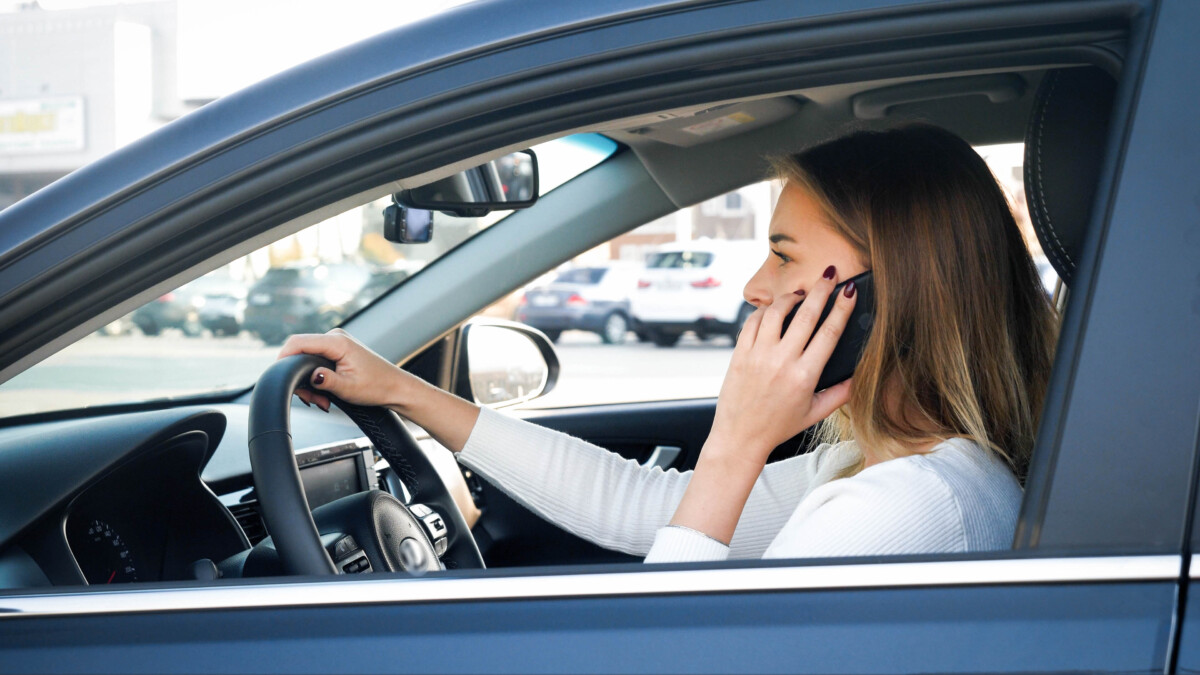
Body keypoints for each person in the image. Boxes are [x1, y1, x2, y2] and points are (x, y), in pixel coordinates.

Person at [279, 124, 1058, 563]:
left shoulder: (900, 509)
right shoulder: (888, 467)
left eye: (783, 253)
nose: (755, 285)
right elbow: (646, 508)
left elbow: (668, 653)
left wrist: (738, 444)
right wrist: (404, 392)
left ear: (879, 295)